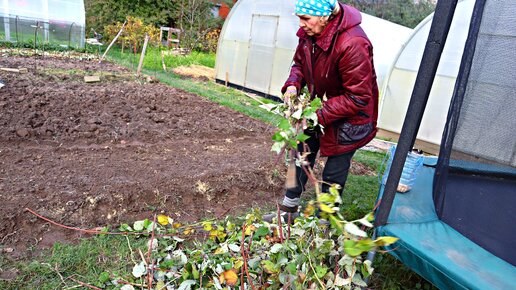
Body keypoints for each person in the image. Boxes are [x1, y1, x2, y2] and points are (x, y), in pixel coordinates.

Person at [269, 0, 379, 221]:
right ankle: (288, 210)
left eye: (306, 18)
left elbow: (358, 96)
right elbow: (299, 64)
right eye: (299, 18)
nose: (301, 24)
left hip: (351, 119)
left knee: (333, 174)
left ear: (324, 17)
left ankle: (323, 225)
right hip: (319, 108)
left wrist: (315, 115)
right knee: (298, 156)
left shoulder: (353, 43)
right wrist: (292, 85)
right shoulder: (309, 34)